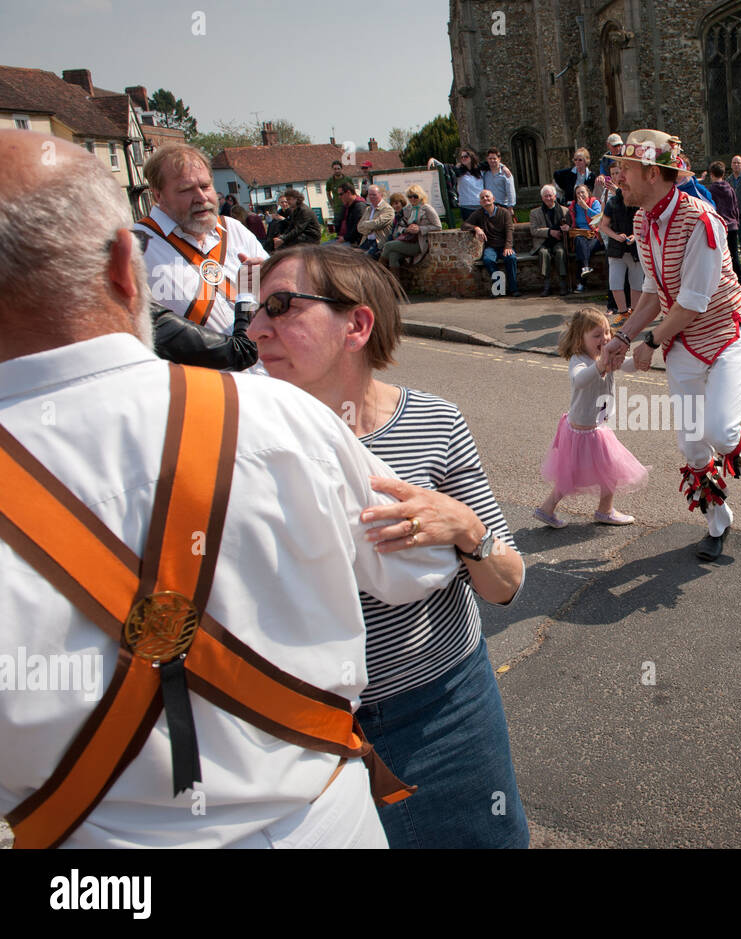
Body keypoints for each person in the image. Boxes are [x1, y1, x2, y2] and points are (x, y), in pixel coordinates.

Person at [0, 129, 462, 848]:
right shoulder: (286, 422)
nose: (202, 197)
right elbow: (417, 567)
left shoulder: (248, 273)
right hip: (320, 829)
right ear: (130, 267)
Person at [248, 243, 529, 849]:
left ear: (356, 324)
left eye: (279, 306)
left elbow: (507, 584)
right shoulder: (241, 434)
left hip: (442, 711)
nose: (254, 328)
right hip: (298, 732)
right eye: (254, 310)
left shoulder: (436, 422)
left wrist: (465, 529)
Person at [602, 128, 741, 561]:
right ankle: (718, 524)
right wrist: (621, 338)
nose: (617, 177)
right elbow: (651, 295)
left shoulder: (701, 220)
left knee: (719, 429)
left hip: (725, 334)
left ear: (653, 173)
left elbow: (693, 303)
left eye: (625, 169)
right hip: (683, 341)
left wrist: (650, 342)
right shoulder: (642, 220)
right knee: (693, 443)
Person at [533, 307, 648, 529]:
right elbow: (579, 380)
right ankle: (599, 511)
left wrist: (641, 357)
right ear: (580, 339)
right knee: (588, 473)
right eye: (597, 335)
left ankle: (552, 509)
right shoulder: (580, 360)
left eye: (606, 332)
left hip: (593, 427)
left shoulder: (604, 355)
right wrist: (600, 364)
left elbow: (628, 366)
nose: (604, 338)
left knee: (589, 473)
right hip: (585, 431)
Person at [136, 144, 267, 338]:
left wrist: (268, 277)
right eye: (186, 190)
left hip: (263, 362)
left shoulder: (234, 229)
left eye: (205, 186)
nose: (201, 197)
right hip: (193, 368)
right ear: (158, 195)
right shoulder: (136, 246)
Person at [599, 162, 640, 319]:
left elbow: (645, 224)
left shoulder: (638, 202)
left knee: (636, 284)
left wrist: (635, 236)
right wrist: (617, 236)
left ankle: (634, 314)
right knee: (615, 283)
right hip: (616, 249)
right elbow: (604, 226)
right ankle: (623, 313)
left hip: (635, 249)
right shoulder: (611, 203)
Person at [461, 188, 519, 297]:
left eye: (487, 196)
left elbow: (509, 230)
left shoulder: (504, 212)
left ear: (493, 199)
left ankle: (513, 288)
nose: (485, 199)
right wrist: (476, 228)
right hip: (490, 246)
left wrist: (508, 246)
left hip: (504, 245)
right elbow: (464, 225)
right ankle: (499, 289)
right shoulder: (478, 214)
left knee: (511, 258)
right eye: (482, 198)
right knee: (488, 260)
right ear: (480, 202)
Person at [381, 184, 441, 273]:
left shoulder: (427, 208)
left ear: (420, 196)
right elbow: (400, 226)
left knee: (388, 245)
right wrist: (406, 229)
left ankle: (377, 271)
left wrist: (420, 229)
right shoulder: (408, 209)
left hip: (419, 243)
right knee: (393, 255)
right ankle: (395, 283)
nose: (412, 199)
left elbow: (438, 226)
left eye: (415, 196)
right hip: (407, 239)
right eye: (409, 197)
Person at [529, 184, 571, 296]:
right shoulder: (535, 213)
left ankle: (563, 283)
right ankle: (546, 284)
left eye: (550, 195)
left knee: (560, 252)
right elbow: (534, 230)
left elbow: (570, 227)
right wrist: (549, 232)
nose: (548, 198)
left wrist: (565, 229)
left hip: (559, 241)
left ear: (555, 196)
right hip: (543, 242)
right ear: (542, 198)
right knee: (543, 253)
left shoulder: (565, 211)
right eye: (545, 196)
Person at [706, 161, 741, 275]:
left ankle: (725, 279)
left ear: (712, 174)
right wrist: (736, 221)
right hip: (732, 225)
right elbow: (735, 206)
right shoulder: (730, 188)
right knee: (734, 254)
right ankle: (739, 278)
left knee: (721, 256)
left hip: (720, 226)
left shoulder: (711, 191)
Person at [569, 183, 603, 290]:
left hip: (594, 235)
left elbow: (598, 218)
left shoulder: (594, 202)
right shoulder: (573, 206)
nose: (580, 195)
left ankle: (581, 282)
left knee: (583, 251)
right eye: (578, 193)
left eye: (582, 192)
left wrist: (586, 207)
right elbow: (571, 222)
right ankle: (585, 268)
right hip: (580, 235)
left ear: (588, 193)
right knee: (579, 241)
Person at [357, 184, 395, 258]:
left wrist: (365, 224)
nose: (371, 197)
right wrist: (371, 228)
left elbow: (377, 224)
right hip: (366, 241)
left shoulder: (387, 209)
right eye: (370, 195)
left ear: (381, 195)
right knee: (354, 258)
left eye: (374, 195)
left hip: (379, 243)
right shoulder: (368, 209)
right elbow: (359, 227)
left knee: (366, 259)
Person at [480, 147, 516, 219]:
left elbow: (511, 191)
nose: (492, 160)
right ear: (487, 159)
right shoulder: (485, 173)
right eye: (490, 159)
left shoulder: (506, 174)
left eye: (494, 158)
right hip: (489, 205)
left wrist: (510, 207)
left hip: (502, 206)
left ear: (499, 159)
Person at [452, 148, 485, 226]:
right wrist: (433, 160)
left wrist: (503, 167)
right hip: (466, 206)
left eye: (466, 156)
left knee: (483, 229)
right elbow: (445, 168)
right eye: (462, 157)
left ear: (471, 157)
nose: (463, 158)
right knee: (470, 230)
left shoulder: (480, 170)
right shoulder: (458, 171)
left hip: (480, 204)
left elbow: (494, 163)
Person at [334, 182, 366, 246]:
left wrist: (345, 238)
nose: (339, 197)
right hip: (342, 238)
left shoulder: (359, 206)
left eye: (341, 194)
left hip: (353, 241)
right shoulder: (345, 206)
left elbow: (358, 229)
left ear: (348, 193)